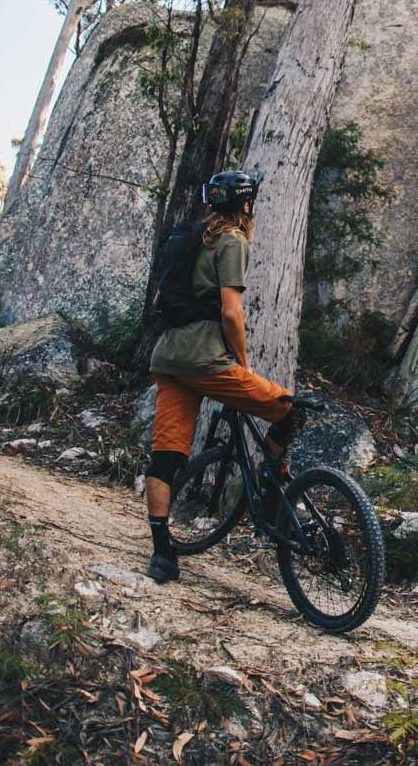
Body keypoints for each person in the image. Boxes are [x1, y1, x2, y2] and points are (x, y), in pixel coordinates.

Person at [142, 170, 301, 584]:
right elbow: (231, 311)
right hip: (205, 360)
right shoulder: (233, 240)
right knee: (289, 411)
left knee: (166, 456)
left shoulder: (194, 236)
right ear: (246, 204)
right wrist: (242, 363)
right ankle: (269, 484)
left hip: (169, 359)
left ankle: (162, 555)